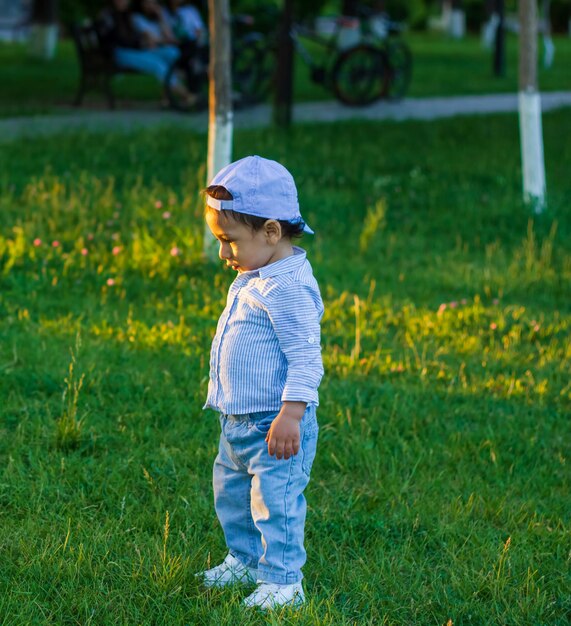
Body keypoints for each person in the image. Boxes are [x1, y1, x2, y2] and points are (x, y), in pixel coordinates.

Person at [198, 156, 324, 610]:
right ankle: (246, 560)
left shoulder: (287, 287)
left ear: (271, 232)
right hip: (238, 421)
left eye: (229, 241)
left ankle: (284, 581)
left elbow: (306, 357)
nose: (222, 254)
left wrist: (292, 414)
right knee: (233, 496)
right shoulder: (258, 271)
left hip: (275, 424)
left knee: (277, 504)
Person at [98, 0, 195, 107]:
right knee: (157, 64)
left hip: (137, 51)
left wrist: (144, 42)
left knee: (172, 53)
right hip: (120, 53)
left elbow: (137, 38)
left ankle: (166, 98)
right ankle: (186, 94)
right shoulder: (108, 16)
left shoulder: (130, 15)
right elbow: (111, 40)